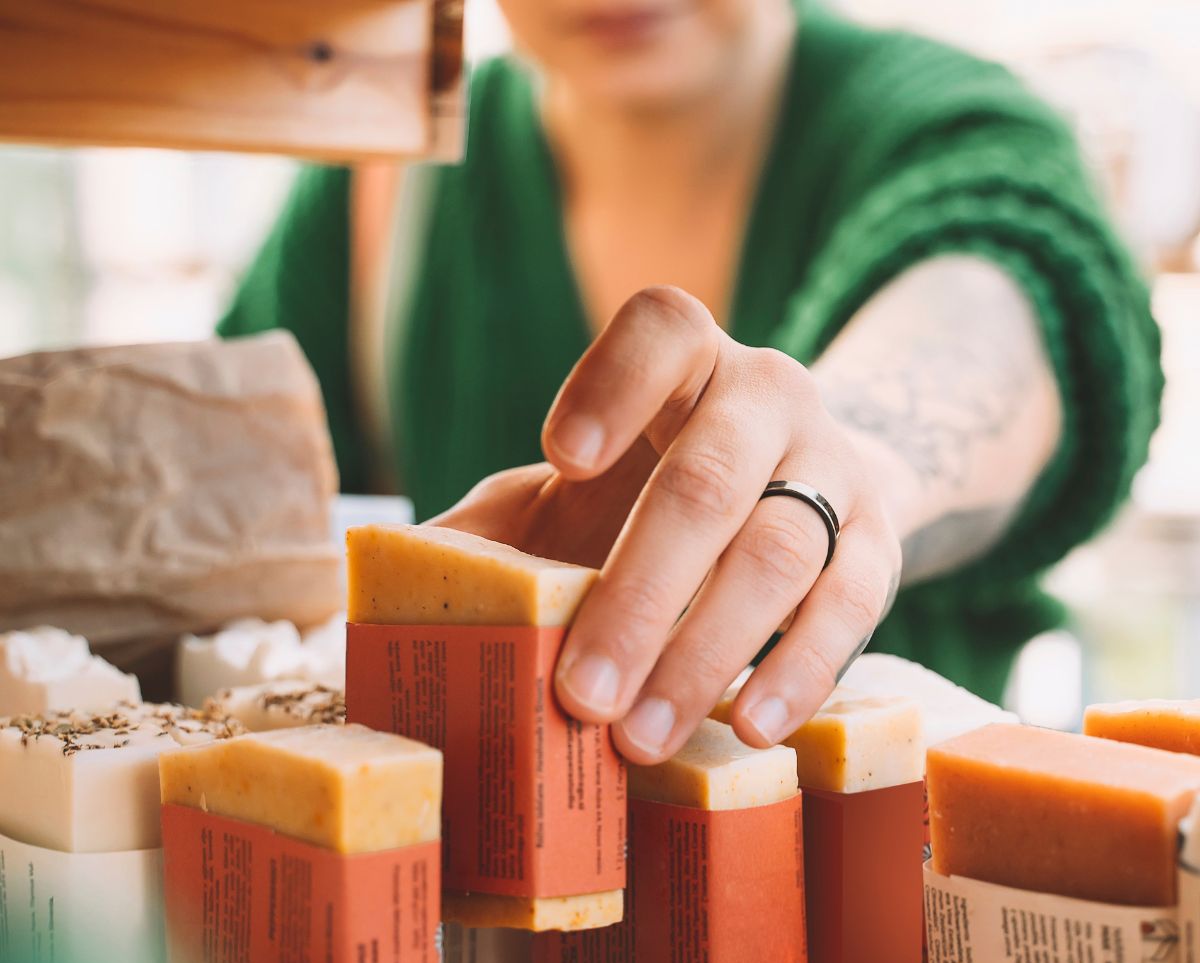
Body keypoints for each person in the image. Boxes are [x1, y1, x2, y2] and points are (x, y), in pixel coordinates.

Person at [219, 1, 1162, 766]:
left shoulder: (936, 120)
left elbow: (1002, 294)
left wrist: (849, 458)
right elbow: (221, 533)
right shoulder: (378, 192)